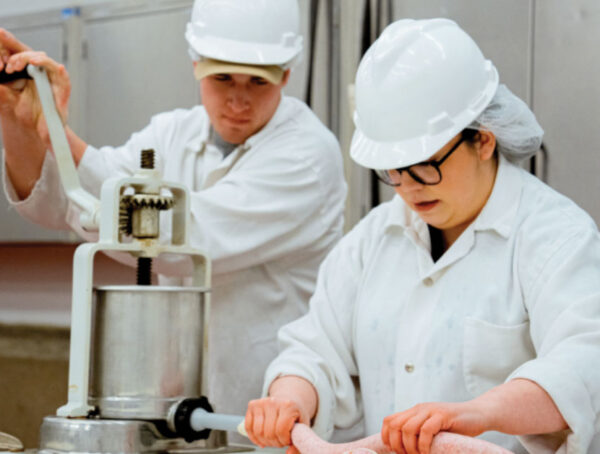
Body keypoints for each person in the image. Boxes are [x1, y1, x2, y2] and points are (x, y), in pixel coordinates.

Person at [244, 18, 600, 454]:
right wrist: (288, 400)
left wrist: (477, 414)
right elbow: (316, 349)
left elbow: (584, 364)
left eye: (425, 164)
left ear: (483, 141)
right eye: (393, 168)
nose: (408, 186)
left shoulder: (555, 237)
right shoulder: (373, 239)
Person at [0, 0, 347, 424]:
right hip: (179, 409)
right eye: (222, 78)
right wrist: (17, 118)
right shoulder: (171, 133)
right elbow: (60, 203)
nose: (238, 99)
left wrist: (57, 132)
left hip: (269, 412)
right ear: (196, 65)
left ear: (286, 75)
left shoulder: (307, 155)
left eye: (257, 82)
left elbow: (181, 244)